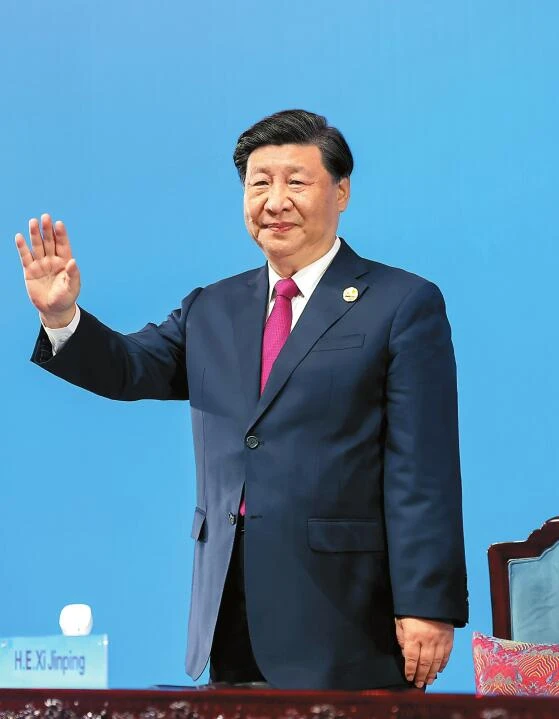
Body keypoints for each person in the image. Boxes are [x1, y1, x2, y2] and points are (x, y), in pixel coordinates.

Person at [15, 110, 468, 691]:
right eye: (259, 183)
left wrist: (427, 603)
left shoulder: (400, 303)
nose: (275, 201)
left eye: (296, 181)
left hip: (348, 614)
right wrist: (62, 317)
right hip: (230, 603)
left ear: (341, 192)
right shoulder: (213, 308)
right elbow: (129, 368)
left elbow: (423, 468)